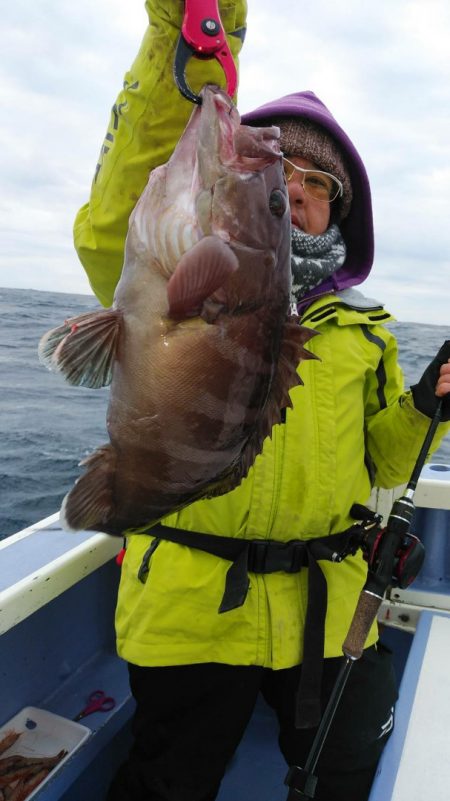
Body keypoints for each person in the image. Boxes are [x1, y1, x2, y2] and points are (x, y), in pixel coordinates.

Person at [73, 3, 450, 800]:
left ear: (337, 214)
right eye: (281, 178)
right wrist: (183, 48)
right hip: (190, 611)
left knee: (345, 774)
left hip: (329, 606)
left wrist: (425, 404)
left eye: (316, 187)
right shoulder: (158, 257)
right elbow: (115, 206)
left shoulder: (364, 332)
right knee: (169, 778)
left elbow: (380, 458)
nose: (296, 190)